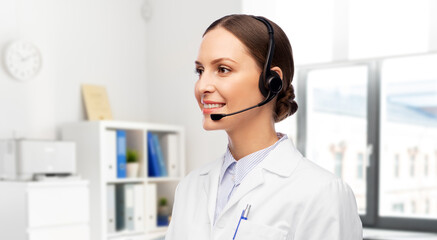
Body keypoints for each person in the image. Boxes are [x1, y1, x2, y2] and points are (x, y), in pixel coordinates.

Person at [165, 14, 362, 240]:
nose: (202, 86)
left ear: (271, 82)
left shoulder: (323, 193)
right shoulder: (190, 186)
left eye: (223, 69)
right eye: (200, 71)